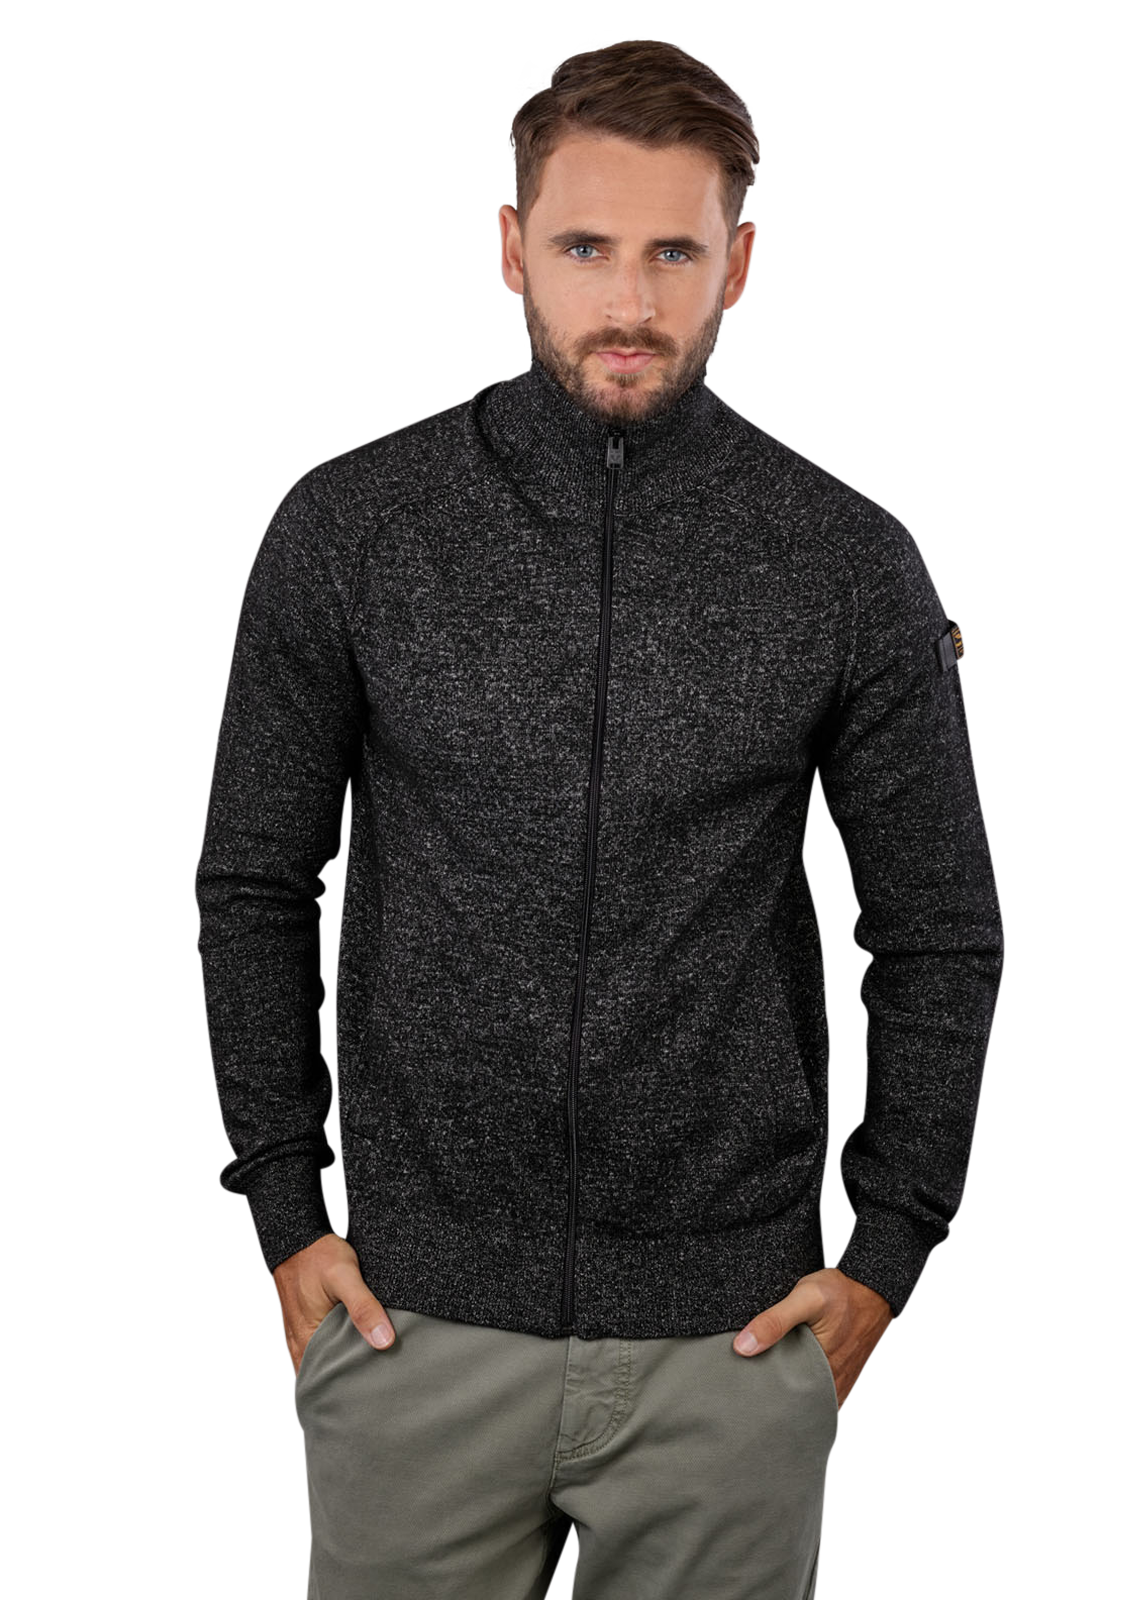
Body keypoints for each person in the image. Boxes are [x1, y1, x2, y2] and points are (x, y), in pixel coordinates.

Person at [197, 36, 1003, 1600]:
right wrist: (283, 1211)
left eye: (672, 254)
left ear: (738, 264)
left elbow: (936, 929)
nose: (628, 303)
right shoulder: (358, 532)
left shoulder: (842, 561)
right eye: (584, 248)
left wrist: (891, 1252)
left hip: (733, 1337)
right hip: (410, 1323)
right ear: (511, 249)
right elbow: (251, 883)